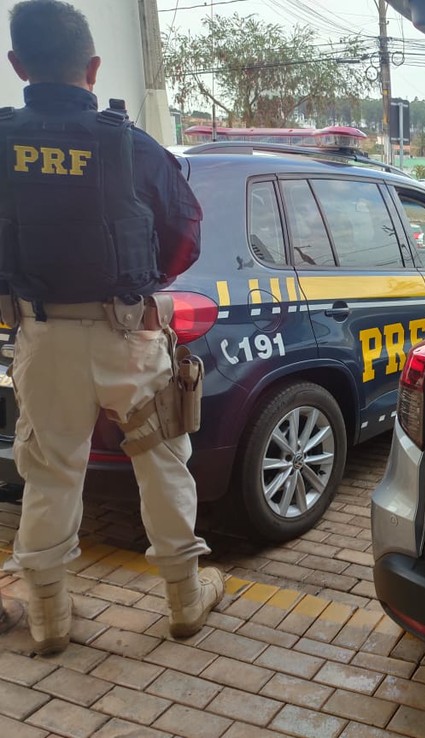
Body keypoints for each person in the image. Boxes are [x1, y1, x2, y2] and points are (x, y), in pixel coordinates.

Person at [0, 0, 222, 655]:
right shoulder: (129, 142)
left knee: (50, 473)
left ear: (17, 66)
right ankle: (185, 600)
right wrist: (139, 283)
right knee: (161, 461)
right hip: (128, 337)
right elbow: (186, 233)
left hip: (42, 339)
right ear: (93, 69)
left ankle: (50, 620)